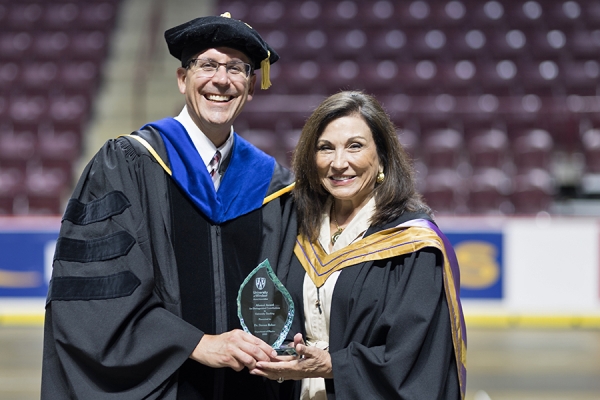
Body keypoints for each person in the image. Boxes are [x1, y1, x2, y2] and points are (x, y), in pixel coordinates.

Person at [41, 12, 297, 399]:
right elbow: (95, 298)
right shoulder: (128, 164)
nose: (221, 80)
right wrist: (196, 343)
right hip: (164, 388)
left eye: (236, 69)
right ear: (182, 79)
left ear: (250, 87)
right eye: (207, 65)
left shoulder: (274, 185)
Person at [250, 91, 467, 399]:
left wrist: (331, 365)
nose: (339, 163)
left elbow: (414, 357)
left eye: (355, 146)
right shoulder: (295, 227)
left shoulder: (412, 245)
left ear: (382, 157)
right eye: (326, 148)